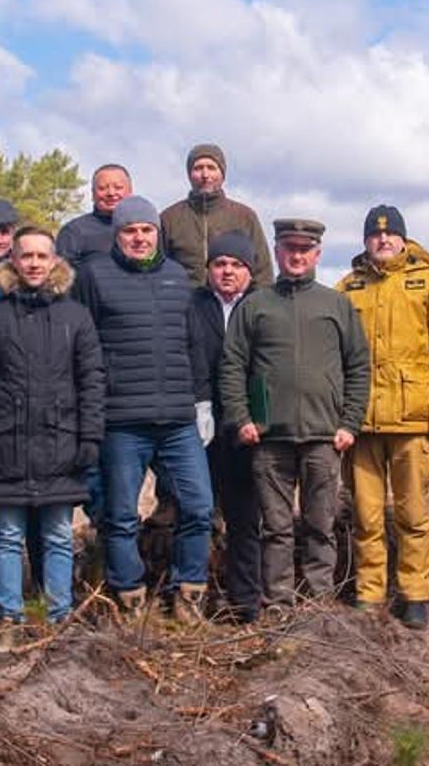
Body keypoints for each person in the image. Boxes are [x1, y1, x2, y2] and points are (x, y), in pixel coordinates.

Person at [72, 195, 217, 622]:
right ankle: (129, 595)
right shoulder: (94, 276)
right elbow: (83, 344)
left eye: (146, 230)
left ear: (157, 233)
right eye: (130, 230)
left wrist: (202, 401)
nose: (139, 237)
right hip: (121, 422)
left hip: (177, 420)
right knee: (118, 515)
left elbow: (193, 346)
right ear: (118, 234)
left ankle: (187, 593)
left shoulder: (177, 277)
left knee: (198, 507)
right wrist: (91, 406)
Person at [220, 218, 371, 608]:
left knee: (321, 525)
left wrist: (350, 423)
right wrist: (242, 419)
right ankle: (279, 603)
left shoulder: (336, 305)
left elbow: (358, 365)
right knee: (276, 528)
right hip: (269, 439)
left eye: (305, 249)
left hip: (325, 436)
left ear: (317, 254)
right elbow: (232, 365)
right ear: (277, 252)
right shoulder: (254, 305)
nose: (297, 255)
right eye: (290, 248)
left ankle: (320, 602)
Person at [0, 227, 104, 640]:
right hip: (8, 443)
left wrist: (89, 436)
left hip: (62, 442)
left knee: (59, 535)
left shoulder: (75, 316)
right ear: (13, 261)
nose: (35, 264)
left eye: (43, 256)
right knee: (8, 535)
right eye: (27, 256)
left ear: (56, 261)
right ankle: (9, 616)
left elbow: (92, 379)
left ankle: (58, 616)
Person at [337, 205, 429, 629]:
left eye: (390, 236)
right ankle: (369, 592)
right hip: (364, 422)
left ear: (403, 240)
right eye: (375, 235)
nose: (383, 241)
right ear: (366, 240)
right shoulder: (348, 287)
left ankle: (415, 593)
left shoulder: (427, 283)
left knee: (412, 513)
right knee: (367, 515)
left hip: (412, 419)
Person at [188, 231, 263, 621]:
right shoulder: (192, 305)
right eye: (220, 264)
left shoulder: (262, 305)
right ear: (209, 269)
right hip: (200, 427)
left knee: (245, 518)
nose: (227, 271)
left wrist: (258, 418)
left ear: (249, 270)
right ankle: (194, 597)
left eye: (236, 264)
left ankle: (245, 601)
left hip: (247, 431)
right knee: (197, 515)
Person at [160, 143, 275, 286]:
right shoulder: (169, 218)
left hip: (235, 305)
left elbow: (262, 272)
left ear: (222, 173)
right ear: (189, 174)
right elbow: (159, 269)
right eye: (198, 168)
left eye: (211, 168)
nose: (205, 175)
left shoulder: (245, 216)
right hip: (184, 303)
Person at [58, 164, 133, 268]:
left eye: (118, 187)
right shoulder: (73, 232)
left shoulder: (147, 229)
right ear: (93, 194)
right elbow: (61, 277)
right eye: (102, 188)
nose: (111, 193)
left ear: (130, 192)